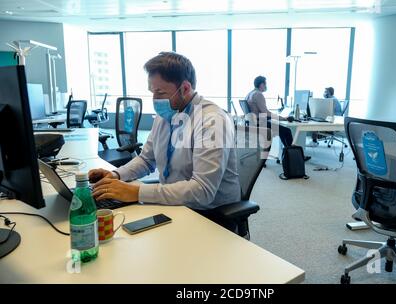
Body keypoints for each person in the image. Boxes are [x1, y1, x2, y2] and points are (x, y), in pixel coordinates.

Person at [88, 52, 240, 212]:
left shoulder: (212, 121)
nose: (154, 99)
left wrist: (136, 192)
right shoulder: (166, 115)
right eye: (152, 92)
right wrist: (116, 175)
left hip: (209, 214)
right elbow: (146, 159)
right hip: (173, 203)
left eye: (160, 93)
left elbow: (202, 191)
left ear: (185, 88)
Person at [245, 76, 293, 147]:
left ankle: (287, 154)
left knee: (282, 131)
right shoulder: (258, 94)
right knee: (287, 131)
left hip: (253, 123)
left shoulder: (249, 94)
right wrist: (283, 118)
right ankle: (293, 155)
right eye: (265, 84)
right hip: (260, 124)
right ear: (261, 84)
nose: (266, 86)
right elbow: (266, 113)